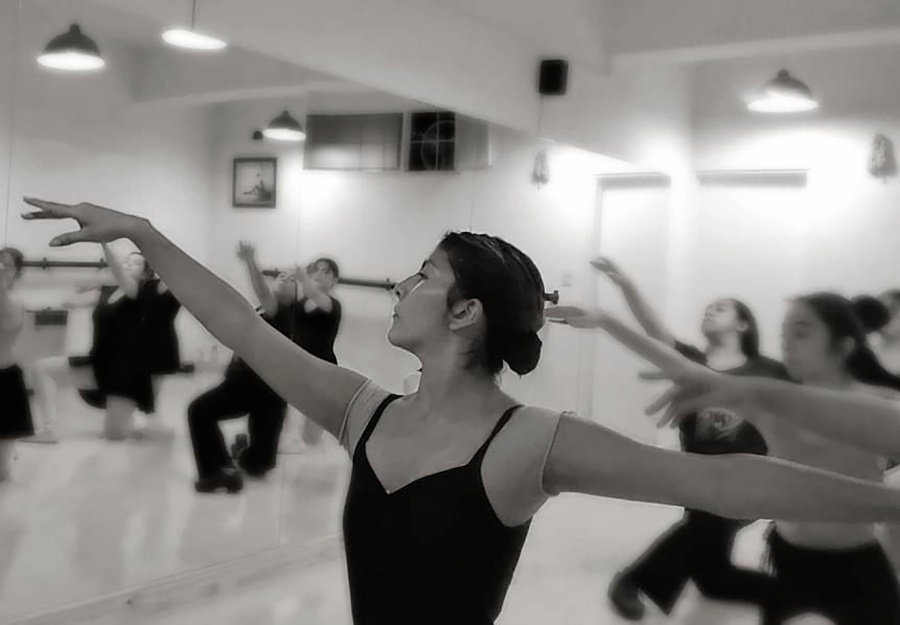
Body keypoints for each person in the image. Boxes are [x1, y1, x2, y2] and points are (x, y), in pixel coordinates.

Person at [22, 197, 900, 625]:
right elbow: (240, 328)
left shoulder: (530, 442)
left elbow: (724, 480)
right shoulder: (363, 410)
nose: (400, 286)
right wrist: (144, 231)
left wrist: (893, 504)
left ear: (465, 312)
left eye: (423, 276)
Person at [551, 292, 900, 624]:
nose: (787, 343)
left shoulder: (879, 402)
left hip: (859, 564)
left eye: (801, 331)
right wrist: (605, 321)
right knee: (716, 558)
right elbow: (680, 365)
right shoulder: (772, 399)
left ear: (843, 344)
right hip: (790, 561)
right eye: (784, 333)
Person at [589, 257, 789, 620]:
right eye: (707, 309)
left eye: (721, 309)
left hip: (749, 476)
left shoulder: (769, 370)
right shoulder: (689, 360)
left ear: (743, 324)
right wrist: (626, 285)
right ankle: (793, 594)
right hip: (696, 475)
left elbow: (802, 411)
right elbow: (652, 329)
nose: (710, 312)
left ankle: (635, 581)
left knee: (712, 520)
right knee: (713, 573)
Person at [188, 242, 338, 493]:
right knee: (258, 463)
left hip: (255, 387)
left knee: (199, 412)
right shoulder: (269, 310)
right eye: (281, 276)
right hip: (266, 392)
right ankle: (230, 462)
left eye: (291, 280)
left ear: (299, 293)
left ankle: (223, 467)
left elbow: (262, 291)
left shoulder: (285, 311)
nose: (283, 279)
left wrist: (249, 261)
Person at [28, 244, 158, 442]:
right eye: (127, 261)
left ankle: (132, 411)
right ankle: (48, 429)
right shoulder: (106, 292)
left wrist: (104, 242)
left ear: (145, 274)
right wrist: (95, 285)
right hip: (99, 363)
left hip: (125, 374)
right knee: (41, 368)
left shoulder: (140, 295)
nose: (128, 263)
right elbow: (69, 301)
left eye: (136, 262)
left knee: (115, 436)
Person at [0, 247, 34, 480]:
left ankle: (8, 453)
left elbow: (9, 323)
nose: (1, 269)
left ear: (17, 273)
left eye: (6, 266)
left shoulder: (14, 302)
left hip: (4, 381)